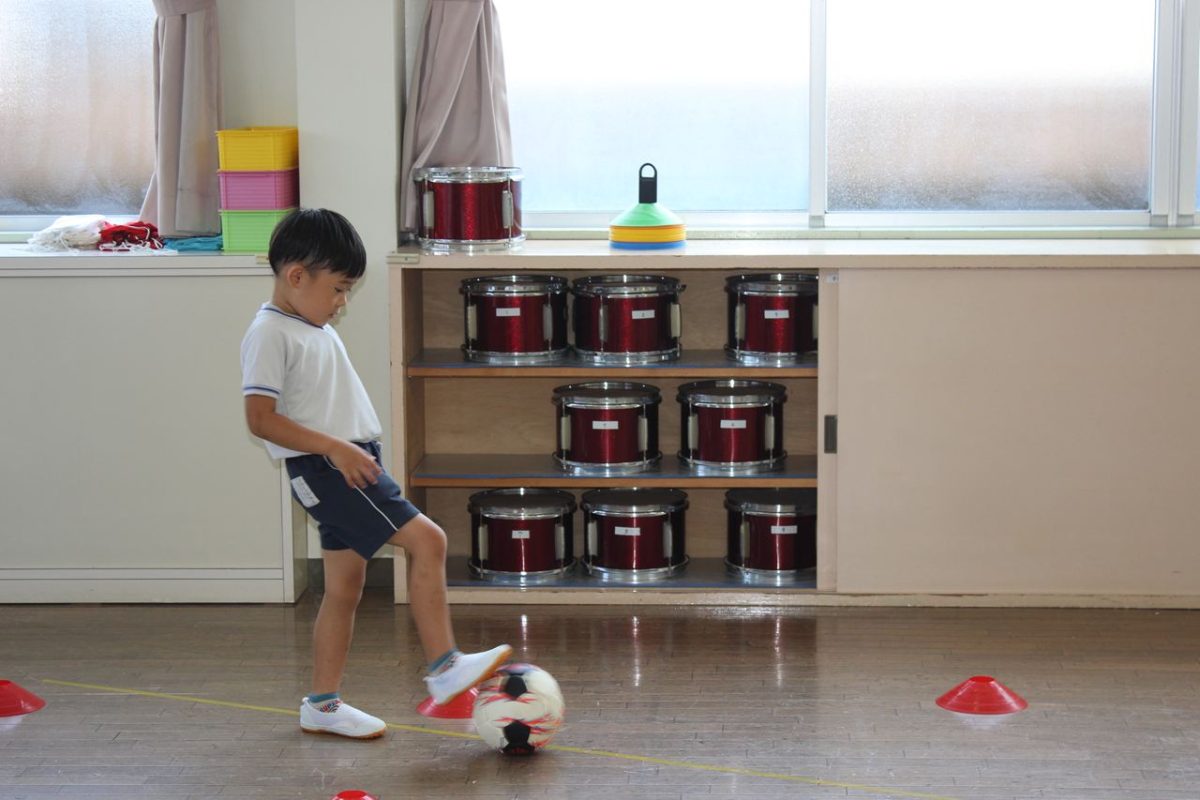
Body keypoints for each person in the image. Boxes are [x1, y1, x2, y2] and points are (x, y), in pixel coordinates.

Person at [240, 208, 511, 739]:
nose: (342, 302)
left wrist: (351, 449)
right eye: (339, 289)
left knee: (344, 588)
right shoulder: (270, 332)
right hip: (331, 469)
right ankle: (445, 666)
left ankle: (322, 705)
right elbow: (260, 419)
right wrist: (338, 450)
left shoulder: (307, 325)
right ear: (296, 276)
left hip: (345, 462)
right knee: (429, 540)